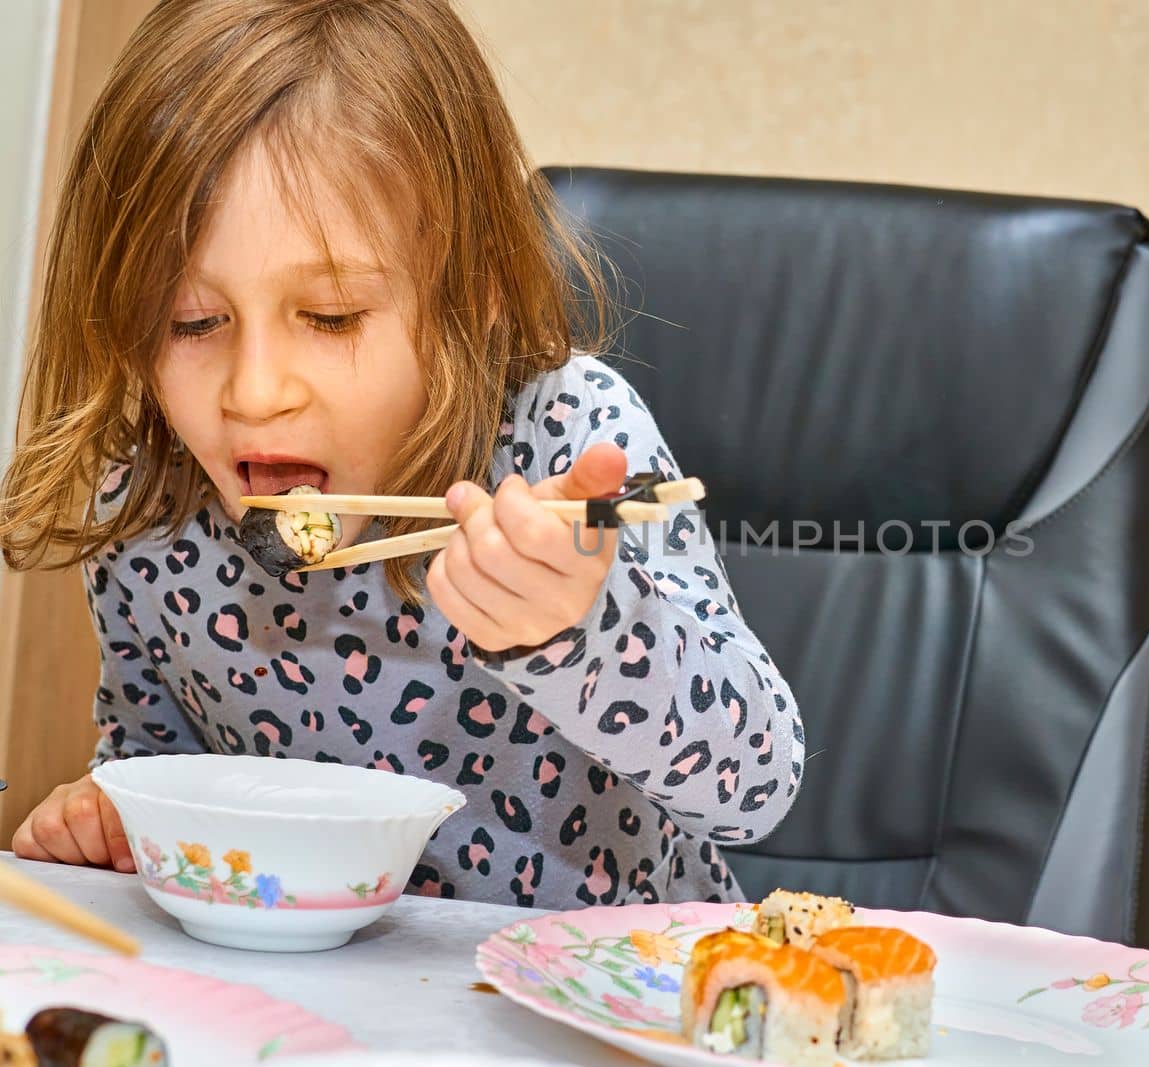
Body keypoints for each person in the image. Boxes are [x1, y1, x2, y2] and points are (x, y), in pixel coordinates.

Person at [0, 0, 802, 908]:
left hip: (614, 997)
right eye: (193, 322)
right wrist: (109, 817)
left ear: (479, 290)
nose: (254, 392)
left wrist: (581, 628)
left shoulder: (563, 439)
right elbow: (159, 770)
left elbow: (758, 788)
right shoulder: (147, 502)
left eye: (331, 315)